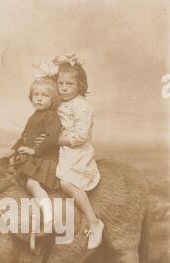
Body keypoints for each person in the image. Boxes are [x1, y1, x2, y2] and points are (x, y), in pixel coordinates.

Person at [53, 54, 104, 249]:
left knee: (67, 182)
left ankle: (93, 222)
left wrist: (56, 140)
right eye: (60, 83)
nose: (64, 88)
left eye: (70, 84)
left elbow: (81, 136)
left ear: (80, 85)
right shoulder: (59, 104)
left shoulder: (83, 106)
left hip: (76, 152)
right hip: (60, 150)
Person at [10, 77, 61, 227]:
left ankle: (49, 218)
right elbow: (24, 137)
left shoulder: (51, 116)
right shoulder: (34, 115)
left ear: (53, 99)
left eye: (45, 95)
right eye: (36, 95)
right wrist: (12, 150)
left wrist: (34, 150)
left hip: (46, 160)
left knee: (32, 185)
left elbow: (52, 139)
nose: (39, 98)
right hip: (35, 159)